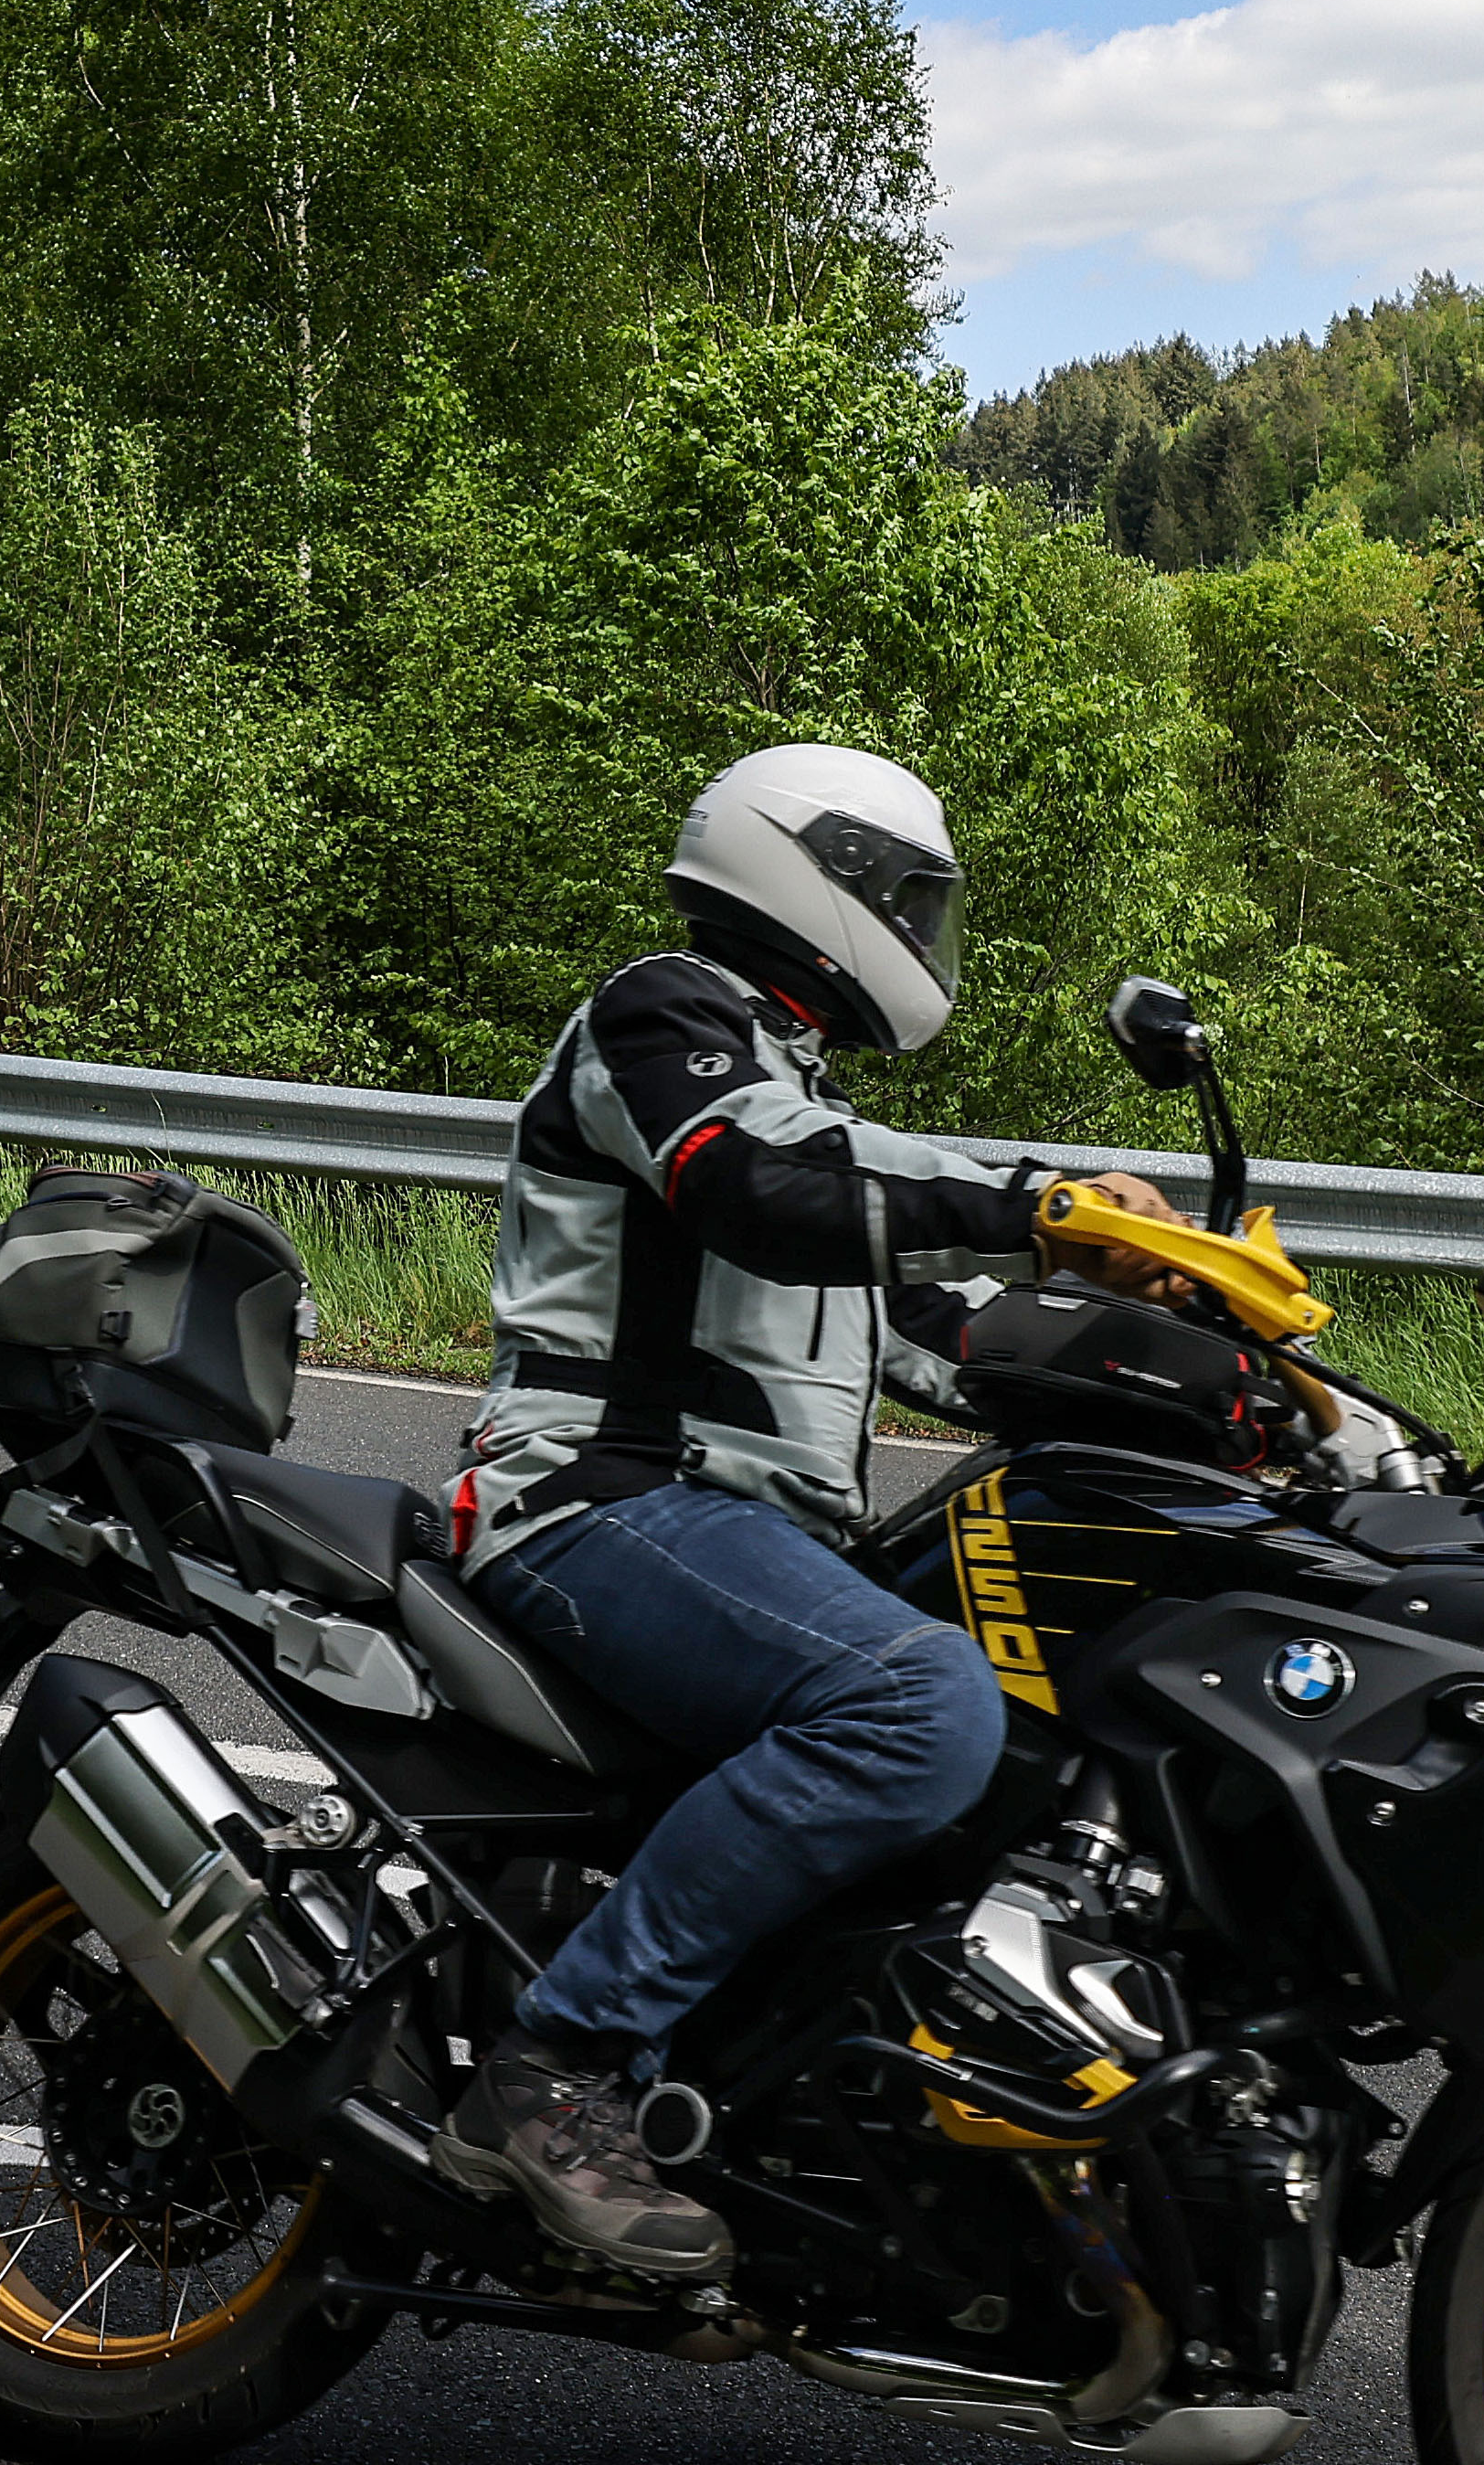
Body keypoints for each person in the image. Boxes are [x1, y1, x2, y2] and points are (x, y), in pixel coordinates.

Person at [431, 742, 1159, 2286]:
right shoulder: (666, 1019)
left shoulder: (796, 1106)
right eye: (907, 897)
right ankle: (552, 2064)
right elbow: (769, 1189)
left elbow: (951, 1331)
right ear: (812, 877)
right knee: (917, 1700)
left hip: (737, 1540)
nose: (922, 928)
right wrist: (1043, 1200)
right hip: (595, 1502)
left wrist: (1193, 1360)